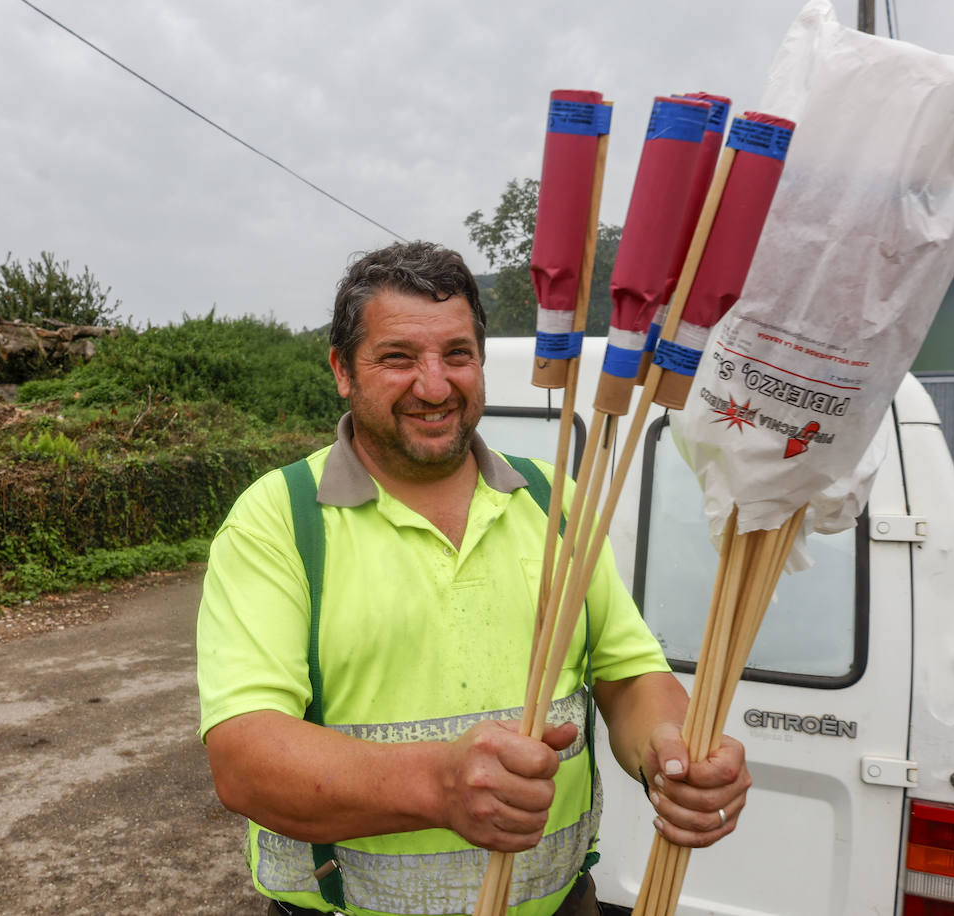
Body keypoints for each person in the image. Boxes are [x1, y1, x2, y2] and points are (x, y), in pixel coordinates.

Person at [197, 241, 750, 916]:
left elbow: (629, 676)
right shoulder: (278, 519)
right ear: (343, 370)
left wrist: (670, 754)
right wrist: (437, 783)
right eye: (398, 358)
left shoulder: (554, 502)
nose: (435, 385)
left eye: (456, 354)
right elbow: (245, 758)